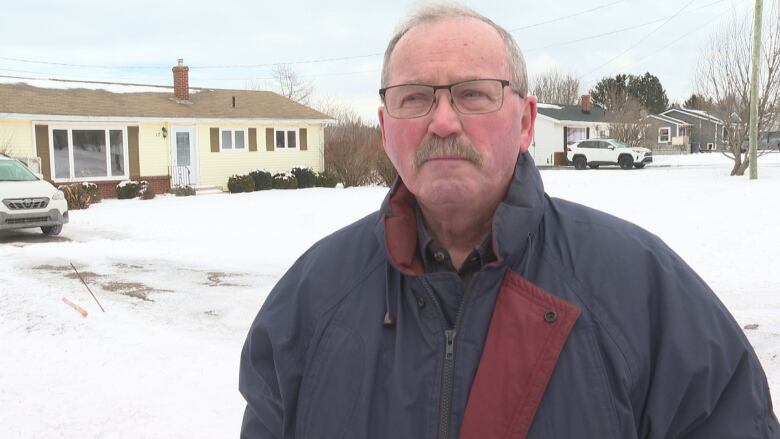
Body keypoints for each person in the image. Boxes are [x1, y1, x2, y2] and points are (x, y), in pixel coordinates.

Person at [239, 4, 779, 438]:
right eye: (416, 98)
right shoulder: (312, 299)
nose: (443, 121)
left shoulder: (641, 290)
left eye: (473, 93)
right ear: (384, 128)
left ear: (525, 121)